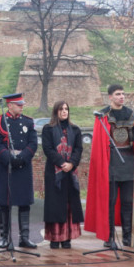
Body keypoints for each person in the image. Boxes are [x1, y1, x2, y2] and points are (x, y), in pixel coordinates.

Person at [85, 84, 134, 248]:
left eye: (123, 94)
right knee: (110, 201)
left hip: (129, 164)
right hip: (111, 164)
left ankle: (127, 237)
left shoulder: (132, 115)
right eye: (118, 94)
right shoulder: (102, 116)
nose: (122, 97)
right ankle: (109, 237)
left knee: (128, 201)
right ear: (110, 97)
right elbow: (100, 144)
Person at [0, 93, 38, 249]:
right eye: (18, 104)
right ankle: (4, 237)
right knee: (4, 203)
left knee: (24, 202)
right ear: (9, 105)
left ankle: (24, 237)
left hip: (23, 166)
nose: (21, 106)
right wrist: (9, 158)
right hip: (6, 166)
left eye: (22, 104)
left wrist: (23, 156)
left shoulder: (28, 122)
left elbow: (33, 143)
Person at [41, 101, 84, 249]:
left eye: (66, 109)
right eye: (61, 109)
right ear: (56, 111)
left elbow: (78, 149)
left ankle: (67, 238)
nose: (64, 111)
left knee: (68, 205)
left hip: (70, 173)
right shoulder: (48, 129)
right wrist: (61, 163)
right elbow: (48, 149)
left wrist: (71, 163)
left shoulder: (75, 129)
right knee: (55, 205)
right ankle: (54, 238)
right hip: (54, 173)